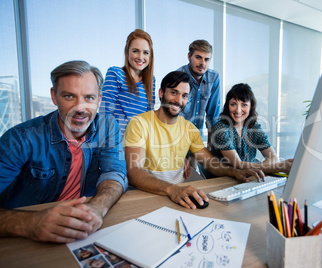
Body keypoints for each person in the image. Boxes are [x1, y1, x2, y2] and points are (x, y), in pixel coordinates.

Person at [0, 60, 127, 243]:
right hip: (25, 239)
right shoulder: (19, 138)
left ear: (99, 99)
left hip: (85, 229)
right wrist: (30, 223)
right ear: (54, 96)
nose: (80, 108)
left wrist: (98, 207)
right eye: (69, 96)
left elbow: (114, 172)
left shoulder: (107, 127)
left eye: (89, 98)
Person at [124, 71, 264, 210]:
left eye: (184, 95)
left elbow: (211, 164)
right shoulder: (139, 123)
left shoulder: (189, 128)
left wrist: (235, 172)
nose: (179, 100)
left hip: (180, 192)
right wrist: (171, 189)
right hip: (150, 193)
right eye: (174, 92)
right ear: (161, 93)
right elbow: (134, 171)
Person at [211, 83, 293, 174]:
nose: (238, 110)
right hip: (223, 180)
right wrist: (278, 167)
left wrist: (262, 168)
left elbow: (273, 158)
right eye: (233, 104)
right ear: (227, 106)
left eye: (244, 105)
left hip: (248, 177)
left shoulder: (254, 127)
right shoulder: (221, 128)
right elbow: (237, 164)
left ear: (251, 107)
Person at [100, 29, 155, 136]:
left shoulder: (151, 80)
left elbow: (149, 116)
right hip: (116, 141)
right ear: (127, 52)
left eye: (146, 52)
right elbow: (105, 114)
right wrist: (111, 143)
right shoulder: (115, 73)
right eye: (135, 51)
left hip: (138, 141)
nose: (140, 57)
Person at [177, 39, 220, 147]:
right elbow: (171, 116)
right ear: (189, 56)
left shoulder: (213, 78)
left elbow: (213, 117)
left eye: (206, 59)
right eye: (198, 57)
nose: (202, 63)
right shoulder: (177, 76)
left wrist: (211, 148)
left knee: (211, 163)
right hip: (177, 140)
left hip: (197, 141)